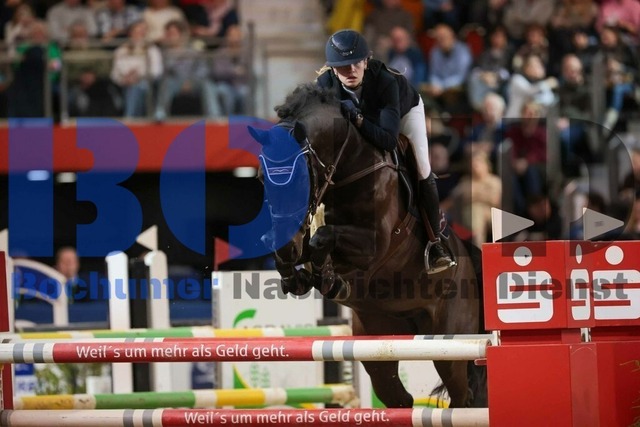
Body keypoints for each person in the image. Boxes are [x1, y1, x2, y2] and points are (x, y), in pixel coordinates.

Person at [316, 29, 455, 273]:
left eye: (356, 63)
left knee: (422, 167)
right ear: (332, 69)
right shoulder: (324, 86)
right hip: (365, 117)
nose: (351, 71)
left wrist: (358, 119)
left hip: (404, 113)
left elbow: (388, 140)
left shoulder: (385, 81)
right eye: (343, 66)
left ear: (366, 60)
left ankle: (435, 243)